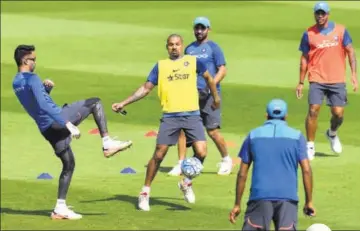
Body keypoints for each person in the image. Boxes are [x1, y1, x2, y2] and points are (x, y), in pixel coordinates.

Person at [12, 45, 133, 220]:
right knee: (95, 102)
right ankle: (107, 143)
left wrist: (46, 90)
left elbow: (35, 103)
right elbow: (45, 106)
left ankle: (59, 208)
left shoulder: (17, 82)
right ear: (25, 60)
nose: (35, 63)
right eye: (33, 59)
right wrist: (67, 123)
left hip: (46, 130)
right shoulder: (32, 79)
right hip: (57, 121)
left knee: (69, 164)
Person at [112, 34, 221, 211]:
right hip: (170, 116)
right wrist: (124, 102)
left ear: (182, 45)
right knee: (159, 154)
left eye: (177, 44)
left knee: (201, 151)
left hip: (192, 115)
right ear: (167, 47)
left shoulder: (193, 62)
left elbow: (209, 78)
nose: (174, 47)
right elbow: (146, 88)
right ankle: (145, 192)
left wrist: (215, 98)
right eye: (171, 45)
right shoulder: (161, 66)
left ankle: (186, 182)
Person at [229, 99, 315, 230]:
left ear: (266, 115)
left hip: (259, 196)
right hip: (288, 197)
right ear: (286, 116)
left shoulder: (253, 135)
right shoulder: (297, 137)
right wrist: (309, 201)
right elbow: (307, 170)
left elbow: (242, 174)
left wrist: (237, 204)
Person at [168, 16, 232, 176]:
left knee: (212, 131)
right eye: (197, 28)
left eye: (202, 28)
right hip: (191, 94)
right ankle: (181, 163)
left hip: (210, 95)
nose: (199, 31)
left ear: (208, 30)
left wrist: (210, 87)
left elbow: (222, 70)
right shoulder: (189, 49)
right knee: (182, 128)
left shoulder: (213, 48)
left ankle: (226, 159)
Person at [296, 1, 359, 160]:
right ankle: (310, 145)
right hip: (317, 78)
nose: (320, 16)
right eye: (317, 13)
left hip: (337, 79)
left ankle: (332, 133)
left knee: (338, 114)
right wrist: (301, 82)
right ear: (314, 14)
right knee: (313, 110)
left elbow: (350, 52)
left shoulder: (341, 31)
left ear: (328, 14)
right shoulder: (308, 33)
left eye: (323, 13)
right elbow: (304, 58)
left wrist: (354, 74)